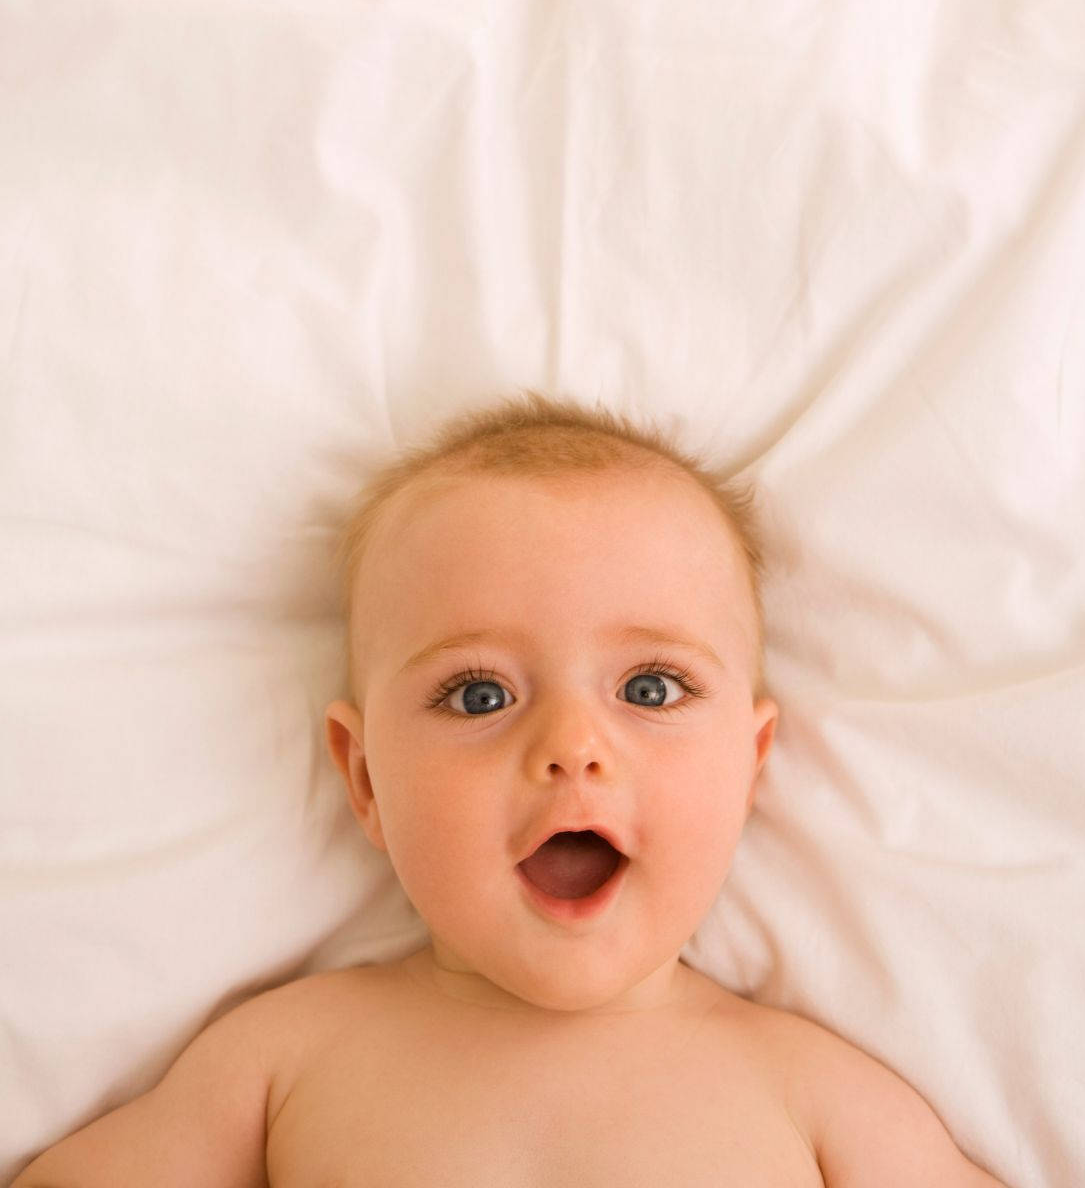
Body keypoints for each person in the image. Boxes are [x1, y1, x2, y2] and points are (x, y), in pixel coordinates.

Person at [13, 392, 1008, 1186]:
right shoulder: (284, 1059)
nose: (572, 746)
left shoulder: (815, 1095)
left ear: (750, 766)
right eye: (478, 692)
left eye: (650, 688)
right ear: (365, 780)